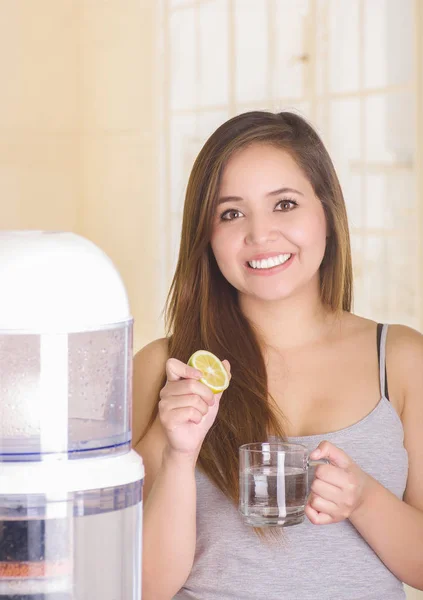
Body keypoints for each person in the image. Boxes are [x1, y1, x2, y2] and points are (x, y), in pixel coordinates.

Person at [133, 111, 423, 600]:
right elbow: (142, 588)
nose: (260, 234)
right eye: (231, 213)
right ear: (207, 237)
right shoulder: (166, 369)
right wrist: (180, 456)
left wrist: (364, 499)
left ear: (327, 213)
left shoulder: (401, 360)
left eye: (284, 204)